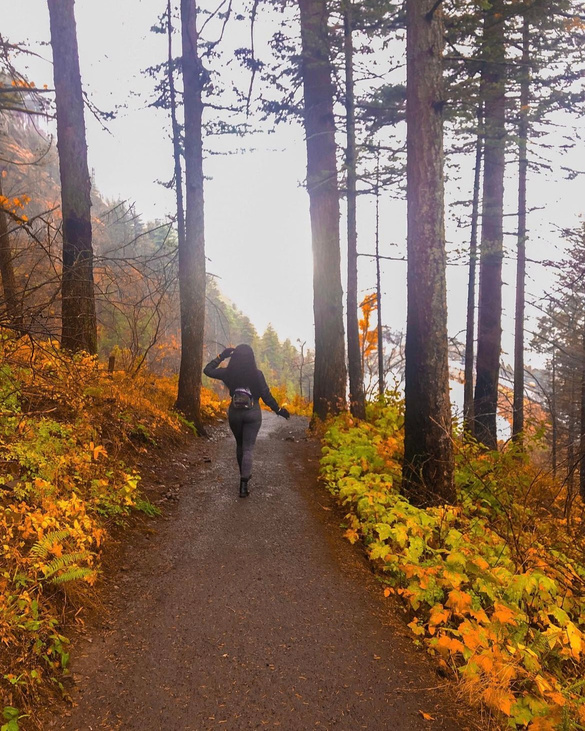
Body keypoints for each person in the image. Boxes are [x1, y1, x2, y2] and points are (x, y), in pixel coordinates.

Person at [203, 344, 290, 498]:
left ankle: (243, 473)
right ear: (251, 358)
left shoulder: (228, 373)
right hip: (253, 412)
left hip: (235, 412)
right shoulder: (257, 374)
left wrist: (222, 356)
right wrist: (278, 410)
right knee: (248, 448)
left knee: (240, 445)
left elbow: (207, 370)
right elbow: (266, 395)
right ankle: (244, 484)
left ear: (235, 357)